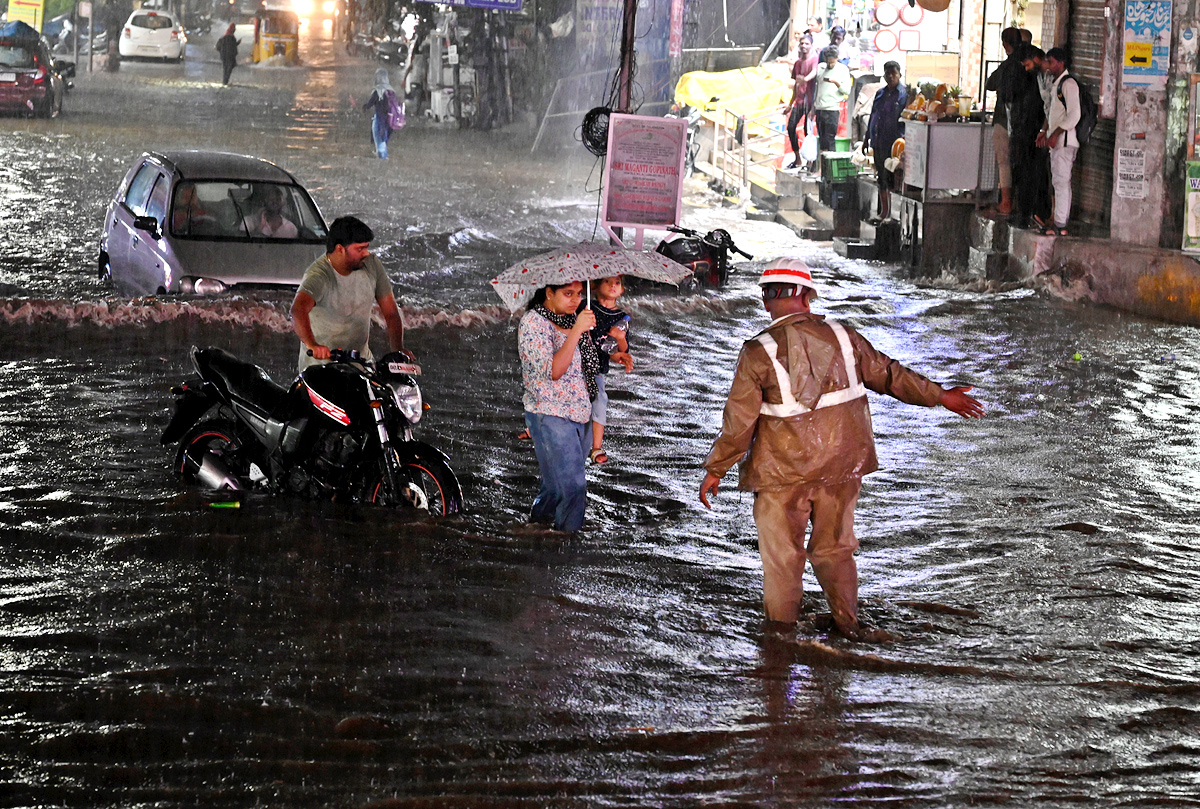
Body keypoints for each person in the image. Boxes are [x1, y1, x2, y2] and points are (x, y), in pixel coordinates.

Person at [698, 259, 984, 640]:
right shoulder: (844, 337)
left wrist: (717, 469)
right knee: (835, 549)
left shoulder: (757, 352)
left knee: (783, 560)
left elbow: (739, 423)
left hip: (782, 474)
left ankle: (780, 643)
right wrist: (940, 396)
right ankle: (849, 624)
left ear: (767, 300)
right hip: (842, 468)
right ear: (805, 295)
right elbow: (889, 374)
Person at [519, 281, 599, 535]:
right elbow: (554, 370)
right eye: (567, 294)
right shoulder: (534, 323)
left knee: (555, 486)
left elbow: (586, 366)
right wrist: (576, 331)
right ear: (549, 293)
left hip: (580, 411)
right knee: (574, 487)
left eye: (578, 294)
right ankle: (566, 543)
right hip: (550, 414)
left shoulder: (572, 319)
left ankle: (536, 530)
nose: (575, 300)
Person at [291, 216, 409, 373]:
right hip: (321, 369)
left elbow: (391, 312)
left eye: (366, 247)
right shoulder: (319, 275)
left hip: (362, 364)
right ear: (340, 249)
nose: (366, 253)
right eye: (360, 249)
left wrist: (398, 351)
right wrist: (312, 344)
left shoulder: (372, 265)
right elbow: (297, 310)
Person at [579, 276, 634, 465]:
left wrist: (620, 338)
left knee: (600, 399)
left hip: (597, 368)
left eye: (617, 283)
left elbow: (619, 350)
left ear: (622, 289)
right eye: (607, 282)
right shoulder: (586, 306)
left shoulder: (621, 318)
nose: (612, 285)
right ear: (595, 286)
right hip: (576, 364)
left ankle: (596, 447)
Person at [1038, 47, 1081, 236]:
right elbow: (1053, 112)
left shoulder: (1068, 84)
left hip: (1065, 142)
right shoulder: (1057, 84)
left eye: (1051, 61)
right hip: (1057, 142)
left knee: (1062, 182)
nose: (1048, 65)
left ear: (1061, 63)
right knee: (1058, 181)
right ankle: (1058, 221)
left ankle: (1061, 224)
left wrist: (1055, 134)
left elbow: (1074, 115)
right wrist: (1044, 130)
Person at [1012, 44, 1052, 229]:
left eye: (1027, 64)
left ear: (1036, 58)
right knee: (1025, 175)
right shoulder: (1029, 78)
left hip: (1038, 135)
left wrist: (1043, 131)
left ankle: (1040, 213)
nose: (1026, 68)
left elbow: (1050, 109)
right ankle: (1026, 213)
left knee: (1038, 175)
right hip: (1025, 134)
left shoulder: (1048, 78)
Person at [985, 27, 1023, 215]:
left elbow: (989, 84)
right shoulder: (1028, 62)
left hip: (1003, 120)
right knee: (1020, 162)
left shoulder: (1008, 66)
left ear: (1005, 44)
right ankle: (1019, 202)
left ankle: (1006, 202)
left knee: (1004, 162)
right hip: (1024, 122)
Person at [864, 61, 906, 222]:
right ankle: (884, 212)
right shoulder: (880, 93)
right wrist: (867, 137)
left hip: (895, 143)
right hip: (878, 140)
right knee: (881, 176)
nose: (890, 77)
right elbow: (873, 116)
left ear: (899, 75)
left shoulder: (903, 95)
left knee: (893, 177)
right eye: (887, 74)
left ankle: (892, 214)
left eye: (893, 74)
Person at [784, 34, 819, 171]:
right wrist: (790, 104)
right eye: (802, 44)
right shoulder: (798, 63)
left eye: (807, 44)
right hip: (799, 102)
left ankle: (810, 162)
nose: (804, 46)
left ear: (811, 46)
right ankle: (797, 158)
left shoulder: (814, 60)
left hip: (810, 102)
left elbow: (814, 73)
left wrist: (805, 79)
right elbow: (796, 86)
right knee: (791, 127)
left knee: (807, 131)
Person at [813, 46, 851, 160]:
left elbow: (846, 91)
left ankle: (830, 168)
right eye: (828, 62)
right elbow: (816, 87)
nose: (830, 65)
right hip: (819, 108)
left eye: (832, 62)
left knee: (830, 140)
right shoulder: (820, 67)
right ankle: (821, 168)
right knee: (822, 139)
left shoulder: (843, 69)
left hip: (832, 109)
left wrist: (836, 82)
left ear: (837, 58)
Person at [363, 68, 399, 159]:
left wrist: (364, 107)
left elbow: (370, 104)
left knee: (379, 139)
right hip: (390, 120)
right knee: (384, 139)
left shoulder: (377, 91)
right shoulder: (391, 91)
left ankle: (382, 158)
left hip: (380, 119)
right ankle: (383, 156)